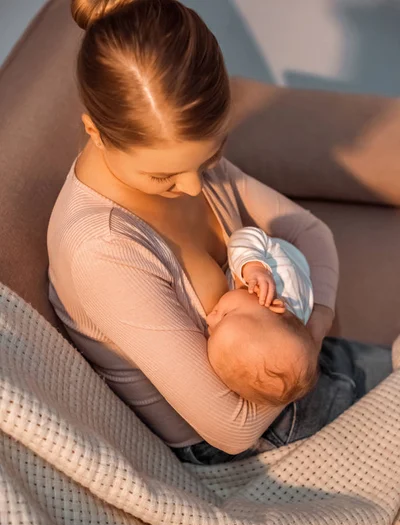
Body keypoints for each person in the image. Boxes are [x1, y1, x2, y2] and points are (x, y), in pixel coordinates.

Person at [47, 0, 392, 466]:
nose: (193, 186)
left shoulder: (183, 162)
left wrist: (314, 329)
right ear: (96, 131)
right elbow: (231, 428)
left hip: (305, 365)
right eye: (163, 177)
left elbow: (310, 231)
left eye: (208, 159)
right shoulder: (103, 249)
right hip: (255, 446)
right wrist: (302, 341)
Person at [206, 227, 318, 410]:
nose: (210, 318)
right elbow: (247, 235)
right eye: (225, 315)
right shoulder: (272, 277)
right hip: (289, 255)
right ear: (273, 305)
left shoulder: (273, 327)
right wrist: (254, 266)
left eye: (211, 333)